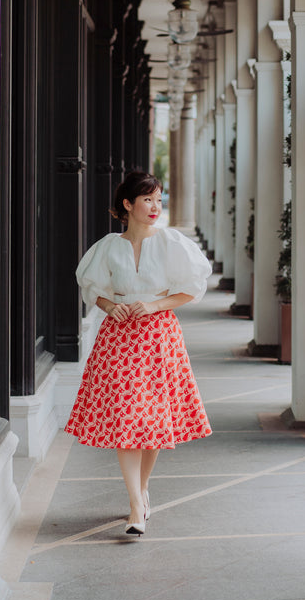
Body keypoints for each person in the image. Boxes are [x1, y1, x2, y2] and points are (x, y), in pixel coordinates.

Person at [65, 170, 212, 536]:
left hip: (158, 337)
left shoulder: (171, 243)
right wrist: (108, 306)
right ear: (127, 205)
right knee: (127, 421)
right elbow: (91, 287)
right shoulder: (108, 247)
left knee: (152, 421)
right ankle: (135, 504)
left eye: (159, 200)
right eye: (147, 199)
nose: (155, 207)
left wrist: (155, 305)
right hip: (119, 339)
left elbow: (192, 289)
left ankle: (143, 489)